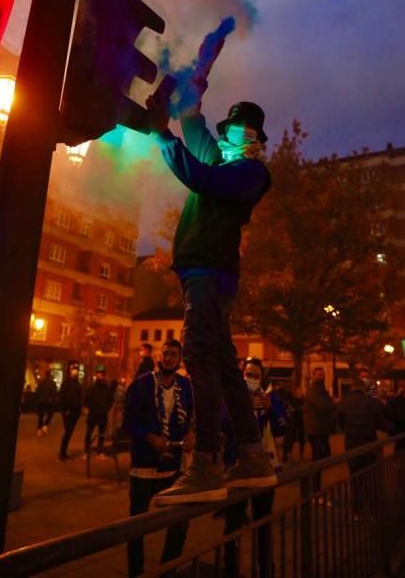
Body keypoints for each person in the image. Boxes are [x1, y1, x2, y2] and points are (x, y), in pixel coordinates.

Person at [146, 84, 274, 505]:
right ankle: (253, 456)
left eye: (232, 128)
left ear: (250, 137)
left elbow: (199, 175)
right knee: (222, 363)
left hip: (209, 272)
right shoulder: (226, 163)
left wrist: (163, 136)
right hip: (205, 272)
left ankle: (206, 462)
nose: (224, 135)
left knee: (198, 354)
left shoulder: (249, 173)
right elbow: (196, 131)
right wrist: (191, 98)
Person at [123, 339, 194, 577]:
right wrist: (149, 437)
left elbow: (194, 416)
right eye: (165, 354)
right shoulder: (142, 385)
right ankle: (136, 572)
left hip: (172, 467)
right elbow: (128, 422)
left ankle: (167, 568)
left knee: (180, 522)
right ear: (159, 356)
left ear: (179, 358)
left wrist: (192, 435)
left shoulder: (185, 386)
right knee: (136, 528)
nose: (169, 358)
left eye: (174, 354)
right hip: (144, 467)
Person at [222, 357, 285, 578]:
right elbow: (223, 425)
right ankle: (230, 570)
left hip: (263, 470)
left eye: (255, 375)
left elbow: (282, 428)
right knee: (232, 526)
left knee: (263, 522)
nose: (251, 379)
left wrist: (271, 411)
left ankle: (266, 569)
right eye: (248, 374)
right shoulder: (231, 397)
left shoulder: (271, 398)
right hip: (237, 469)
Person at [337, 378, 392, 518]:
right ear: (364, 389)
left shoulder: (344, 402)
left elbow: (338, 423)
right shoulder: (371, 402)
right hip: (370, 444)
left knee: (355, 478)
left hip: (352, 444)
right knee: (372, 478)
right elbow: (382, 423)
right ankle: (373, 510)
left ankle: (357, 510)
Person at [303, 367, 336, 494]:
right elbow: (323, 405)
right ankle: (315, 489)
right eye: (318, 375)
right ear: (313, 376)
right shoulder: (313, 390)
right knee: (317, 460)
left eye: (322, 375)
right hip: (315, 430)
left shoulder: (321, 390)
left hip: (321, 429)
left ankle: (315, 487)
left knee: (323, 457)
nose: (320, 377)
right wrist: (334, 403)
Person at [82, 366, 113, 459]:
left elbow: (110, 400)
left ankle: (99, 452)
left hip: (102, 414)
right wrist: (90, 408)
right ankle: (86, 452)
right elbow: (86, 399)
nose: (100, 376)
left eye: (101, 374)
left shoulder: (107, 389)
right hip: (93, 414)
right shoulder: (92, 388)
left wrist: (106, 408)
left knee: (101, 434)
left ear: (104, 376)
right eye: (98, 374)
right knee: (89, 433)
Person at [58, 360, 82, 461]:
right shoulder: (67, 383)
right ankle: (62, 453)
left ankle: (63, 452)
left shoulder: (77, 383)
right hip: (68, 412)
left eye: (76, 370)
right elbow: (62, 397)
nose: (75, 372)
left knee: (69, 432)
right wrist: (65, 409)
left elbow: (78, 397)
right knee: (68, 432)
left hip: (75, 412)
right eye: (73, 370)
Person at [282, 385, 306, 463]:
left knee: (301, 437)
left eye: (299, 390)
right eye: (296, 390)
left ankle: (301, 454)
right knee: (290, 438)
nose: (297, 392)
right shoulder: (292, 399)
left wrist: (296, 409)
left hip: (301, 420)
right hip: (292, 421)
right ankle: (288, 453)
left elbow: (304, 409)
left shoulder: (303, 400)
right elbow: (290, 408)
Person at [35, 368, 57, 436]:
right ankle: (45, 425)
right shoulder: (53, 383)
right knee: (50, 414)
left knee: (40, 415)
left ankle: (39, 429)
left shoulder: (41, 382)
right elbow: (54, 392)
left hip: (41, 401)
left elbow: (37, 391)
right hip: (49, 401)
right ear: (50, 375)